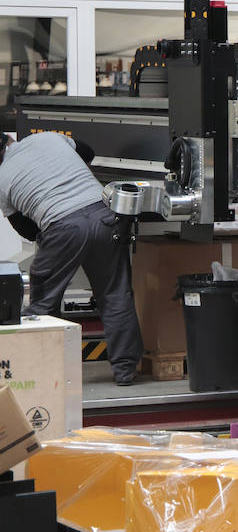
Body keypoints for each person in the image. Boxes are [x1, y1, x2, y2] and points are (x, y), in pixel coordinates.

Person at [0, 132, 143, 385]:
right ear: (9, 140)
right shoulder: (48, 137)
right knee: (115, 294)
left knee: (43, 304)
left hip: (62, 228)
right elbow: (87, 151)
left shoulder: (1, 179)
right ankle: (125, 371)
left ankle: (45, 371)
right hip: (105, 215)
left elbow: (26, 231)